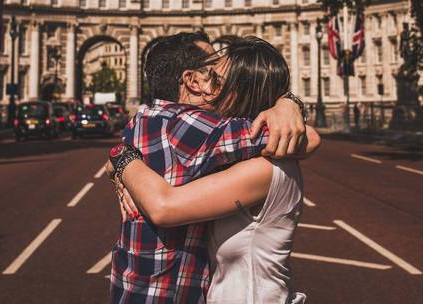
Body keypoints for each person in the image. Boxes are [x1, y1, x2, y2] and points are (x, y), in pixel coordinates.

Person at [108, 31, 317, 304]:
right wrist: (288, 102)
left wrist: (120, 159)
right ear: (192, 80)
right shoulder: (199, 128)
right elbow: (308, 138)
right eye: (211, 74)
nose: (212, 86)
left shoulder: (144, 118)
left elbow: (163, 205)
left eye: (218, 79)